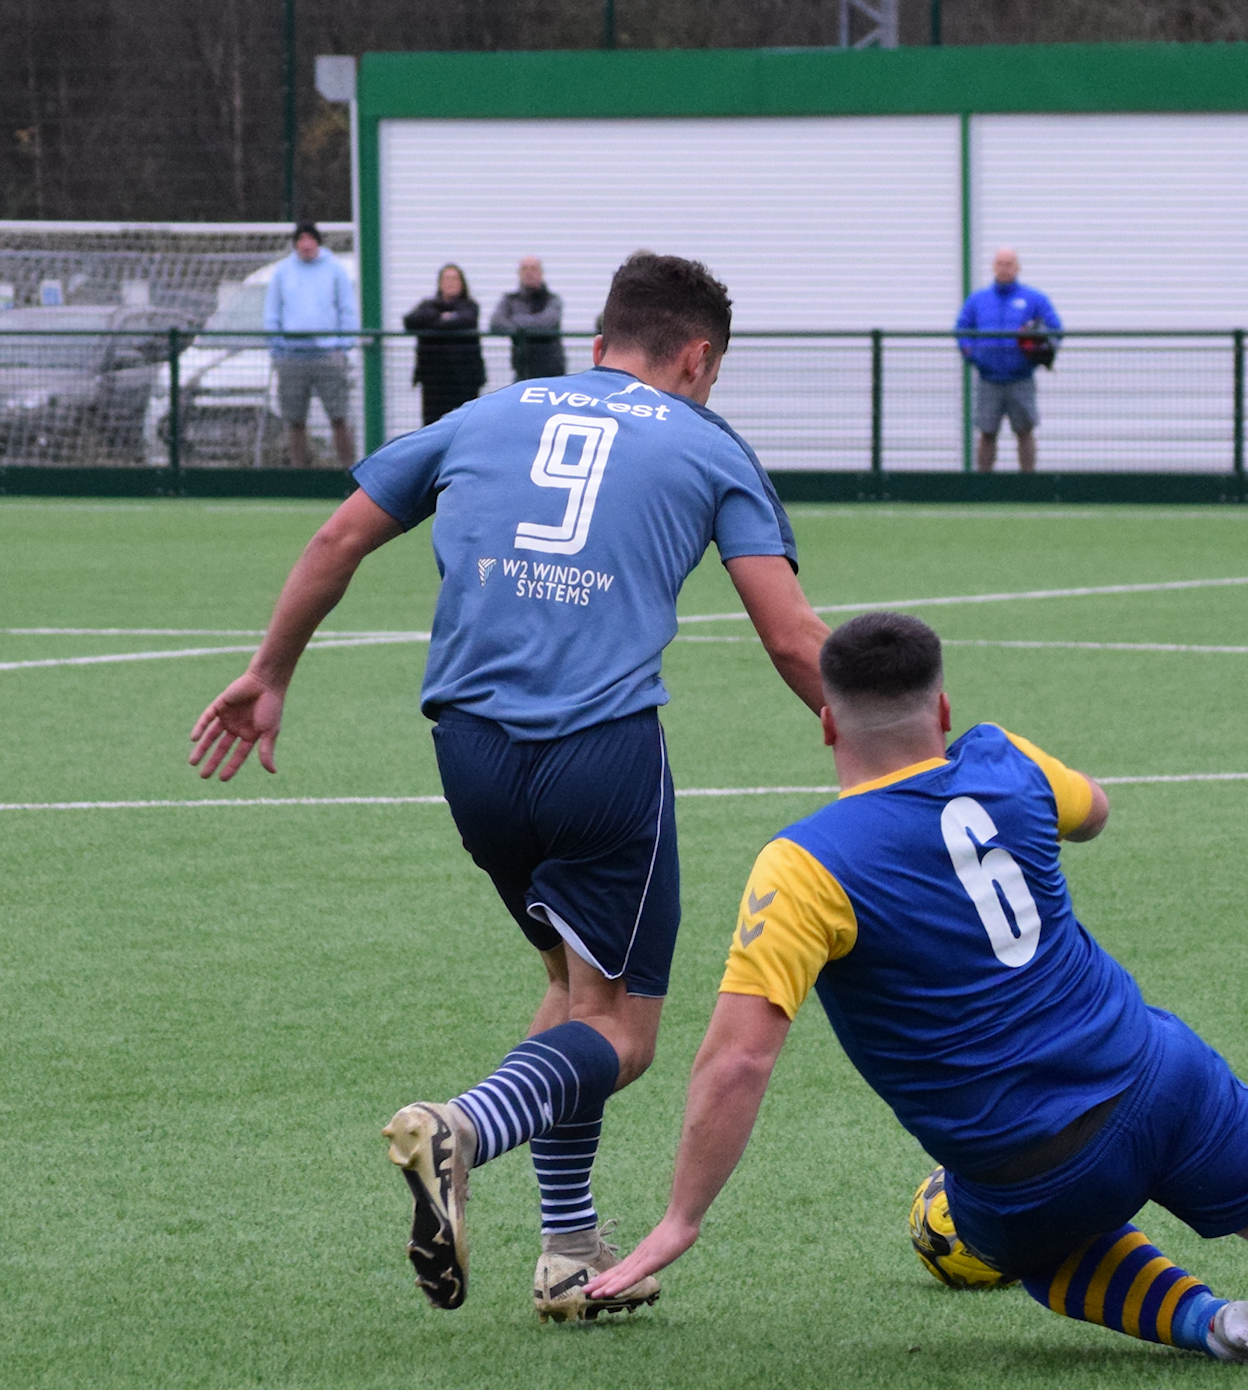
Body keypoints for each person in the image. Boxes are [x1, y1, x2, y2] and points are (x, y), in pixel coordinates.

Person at [188, 253, 831, 1322]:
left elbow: (337, 535)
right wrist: (894, 747)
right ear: (697, 357)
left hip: (470, 753)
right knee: (621, 1035)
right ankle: (465, 1130)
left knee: (571, 987)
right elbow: (791, 636)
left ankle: (568, 1253)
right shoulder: (710, 445)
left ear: (596, 344)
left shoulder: (484, 414)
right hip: (602, 756)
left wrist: (270, 672)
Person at [584, 613, 1248, 1365]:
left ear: (825, 725)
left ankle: (1219, 1324)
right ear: (942, 709)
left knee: (1033, 1254)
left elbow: (739, 1060)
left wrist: (681, 1218)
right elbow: (1097, 812)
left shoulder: (806, 865)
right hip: (1155, 1070)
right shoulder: (1005, 759)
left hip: (1028, 1165)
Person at [954, 247, 1061, 474]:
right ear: (994, 267)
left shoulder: (1034, 299)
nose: (1005, 269)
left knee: (1024, 431)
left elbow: (1055, 329)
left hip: (1021, 378)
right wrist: (972, 354)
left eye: (1009, 264)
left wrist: (1041, 351)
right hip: (988, 378)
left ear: (1018, 267)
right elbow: (962, 328)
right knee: (987, 432)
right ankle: (983, 484)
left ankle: (1027, 483)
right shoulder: (978, 300)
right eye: (1000, 264)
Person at [263, 221, 359, 469]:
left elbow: (347, 309)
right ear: (295, 244)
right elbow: (272, 313)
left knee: (339, 417)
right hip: (292, 357)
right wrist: (277, 348)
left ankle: (350, 473)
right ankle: (299, 474)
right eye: (301, 239)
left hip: (327, 355)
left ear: (318, 242)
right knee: (294, 420)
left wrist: (343, 345)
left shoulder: (335, 270)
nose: (306, 244)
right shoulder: (282, 272)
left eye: (310, 238)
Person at [403, 264, 484, 425]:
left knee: (464, 424)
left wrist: (436, 322)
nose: (450, 283)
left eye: (454, 278)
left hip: (464, 380)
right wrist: (442, 317)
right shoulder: (428, 306)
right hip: (433, 381)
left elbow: (465, 320)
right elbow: (410, 321)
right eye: (446, 278)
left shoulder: (470, 306)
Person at [488, 256, 567, 383]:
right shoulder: (510, 299)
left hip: (552, 372)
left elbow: (547, 324)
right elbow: (496, 323)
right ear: (519, 274)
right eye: (524, 269)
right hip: (522, 372)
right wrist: (531, 325)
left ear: (541, 273)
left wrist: (516, 321)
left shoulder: (553, 300)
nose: (529, 272)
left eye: (533, 268)